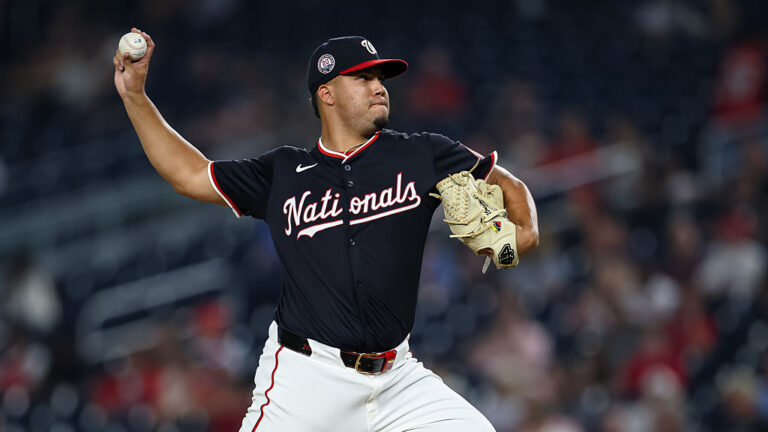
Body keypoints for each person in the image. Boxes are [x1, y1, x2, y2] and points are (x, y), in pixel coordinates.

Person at [113, 28, 539, 432]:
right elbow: (188, 174)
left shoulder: (422, 154)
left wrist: (519, 239)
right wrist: (135, 97)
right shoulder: (282, 172)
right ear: (327, 93)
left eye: (381, 78)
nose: (379, 87)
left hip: (398, 378)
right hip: (308, 377)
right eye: (363, 78)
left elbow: (510, 186)